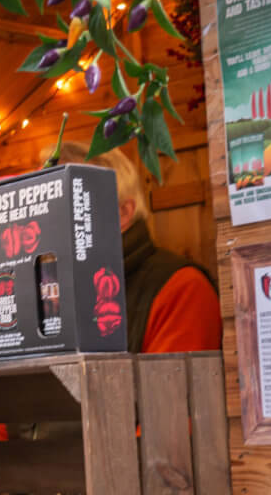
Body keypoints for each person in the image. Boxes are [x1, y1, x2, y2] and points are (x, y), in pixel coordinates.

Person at [51, 142, 221, 353]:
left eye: (76, 201)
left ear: (123, 212)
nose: (54, 220)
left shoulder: (182, 288)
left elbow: (171, 384)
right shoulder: (53, 291)